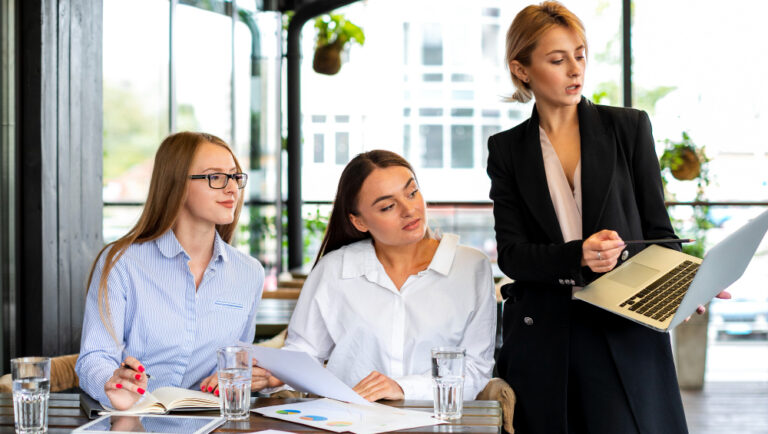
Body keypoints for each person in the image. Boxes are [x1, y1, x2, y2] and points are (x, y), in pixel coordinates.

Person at [486, 2, 729, 433]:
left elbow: (659, 233)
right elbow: (513, 255)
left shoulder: (628, 128)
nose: (574, 69)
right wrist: (577, 255)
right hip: (547, 336)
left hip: (626, 328)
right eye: (557, 60)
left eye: (580, 55)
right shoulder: (506, 150)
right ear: (521, 70)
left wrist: (685, 283)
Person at [272, 150, 496, 401]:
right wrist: (275, 374)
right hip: (350, 421)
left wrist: (402, 388)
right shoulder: (335, 268)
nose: (409, 210)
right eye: (388, 206)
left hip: (435, 423)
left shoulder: (471, 267)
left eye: (412, 193)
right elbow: (304, 352)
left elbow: (476, 371)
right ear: (359, 222)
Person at [76, 132, 266, 410]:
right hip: (135, 422)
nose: (232, 189)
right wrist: (113, 385)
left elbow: (239, 358)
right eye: (215, 177)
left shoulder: (249, 273)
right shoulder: (121, 262)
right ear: (176, 184)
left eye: (235, 177)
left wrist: (243, 373)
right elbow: (94, 357)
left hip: (213, 424)